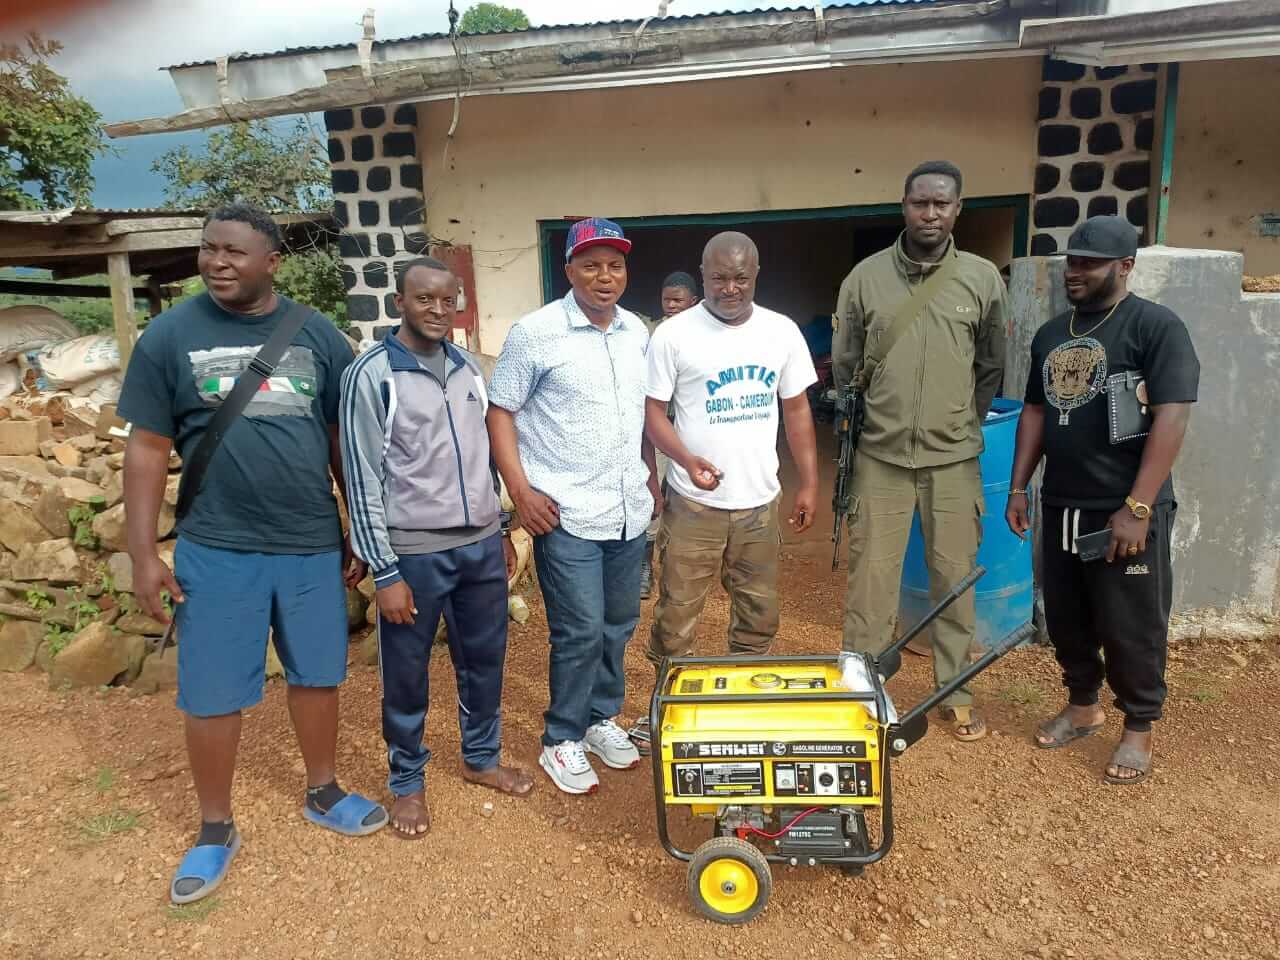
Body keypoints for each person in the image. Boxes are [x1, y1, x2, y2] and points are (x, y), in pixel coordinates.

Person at [119, 203, 387, 905]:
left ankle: (324, 790)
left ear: (272, 261)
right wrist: (143, 553)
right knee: (210, 693)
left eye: (234, 252)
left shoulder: (317, 334)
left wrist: (356, 523)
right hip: (217, 548)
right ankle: (214, 827)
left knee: (318, 674)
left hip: (307, 545)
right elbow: (147, 448)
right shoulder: (169, 335)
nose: (217, 263)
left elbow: (339, 440)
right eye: (209, 250)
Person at [339, 257, 534, 839]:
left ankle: (480, 758)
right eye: (424, 299)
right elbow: (362, 477)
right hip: (414, 553)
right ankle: (406, 782)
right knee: (406, 670)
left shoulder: (468, 367)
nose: (437, 310)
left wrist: (499, 530)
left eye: (447, 301)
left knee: (485, 659)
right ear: (401, 301)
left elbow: (483, 458)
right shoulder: (372, 374)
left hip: (478, 546)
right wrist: (385, 569)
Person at [1006, 216, 1198, 784]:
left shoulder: (1155, 327)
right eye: (1073, 260)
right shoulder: (1051, 333)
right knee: (1067, 617)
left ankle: (1138, 728)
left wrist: (1138, 506)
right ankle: (1082, 705)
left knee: (1130, 622)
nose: (1075, 271)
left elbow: (1173, 415)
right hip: (1062, 503)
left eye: (1089, 263)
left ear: (1125, 266)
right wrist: (1022, 485)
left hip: (1124, 509)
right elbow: (1036, 413)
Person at [832, 160, 1007, 742]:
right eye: (919, 203)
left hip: (953, 462)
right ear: (903, 206)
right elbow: (847, 362)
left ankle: (955, 692)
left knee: (954, 581)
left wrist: (960, 421)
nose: (929, 213)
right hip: (880, 459)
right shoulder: (864, 278)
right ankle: (863, 691)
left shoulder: (981, 279)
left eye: (941, 204)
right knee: (870, 584)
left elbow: (991, 364)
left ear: (958, 209)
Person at [487, 217, 660, 795]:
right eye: (591, 264)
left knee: (618, 624)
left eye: (614, 264)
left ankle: (598, 719)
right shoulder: (536, 333)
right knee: (581, 629)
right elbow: (500, 412)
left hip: (627, 508)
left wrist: (651, 476)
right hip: (565, 513)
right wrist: (521, 492)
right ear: (569, 270)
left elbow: (642, 417)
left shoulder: (638, 331)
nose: (604, 276)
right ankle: (561, 737)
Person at [645, 232, 819, 666]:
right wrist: (685, 460)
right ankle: (665, 713)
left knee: (758, 616)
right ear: (703, 275)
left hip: (759, 505)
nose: (730, 289)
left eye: (740, 277)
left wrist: (810, 483)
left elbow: (797, 412)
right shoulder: (673, 335)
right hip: (693, 505)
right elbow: (651, 415)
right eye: (719, 278)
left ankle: (743, 702)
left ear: (756, 274)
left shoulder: (781, 332)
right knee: (676, 618)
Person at [640, 271, 700, 599]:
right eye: (667, 300)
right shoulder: (654, 334)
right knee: (652, 497)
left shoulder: (708, 333)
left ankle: (681, 563)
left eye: (679, 301)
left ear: (694, 301)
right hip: (660, 427)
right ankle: (645, 565)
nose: (672, 306)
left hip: (694, 430)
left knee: (691, 497)